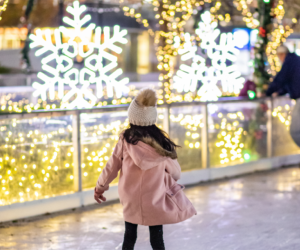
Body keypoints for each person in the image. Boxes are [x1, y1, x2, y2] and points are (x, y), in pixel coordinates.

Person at [94, 88, 197, 250]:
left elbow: (111, 166)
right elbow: (176, 173)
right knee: (157, 240)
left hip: (130, 197)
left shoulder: (126, 139)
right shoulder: (161, 144)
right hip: (155, 197)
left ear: (132, 116)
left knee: (129, 236)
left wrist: (100, 186)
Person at [266, 45, 300, 147]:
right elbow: (290, 82)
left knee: (295, 131)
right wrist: (279, 92)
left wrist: (267, 92)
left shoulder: (290, 61)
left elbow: (281, 79)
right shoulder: (295, 61)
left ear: (282, 54)